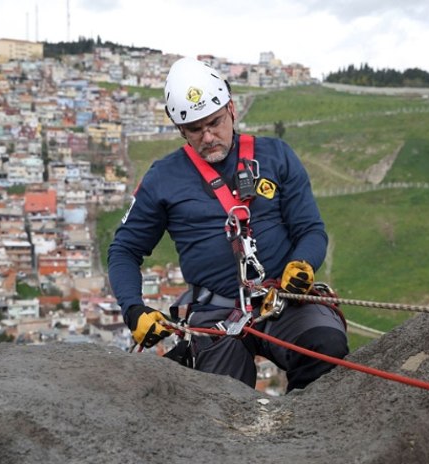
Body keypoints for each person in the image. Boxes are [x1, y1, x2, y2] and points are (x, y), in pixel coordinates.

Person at [108, 57, 349, 392]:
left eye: (215, 123)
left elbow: (310, 229)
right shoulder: (163, 179)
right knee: (222, 399)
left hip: (279, 297)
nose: (208, 137)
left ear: (231, 109)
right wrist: (133, 309)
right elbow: (125, 250)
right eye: (195, 129)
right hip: (214, 312)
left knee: (326, 349)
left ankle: (301, 435)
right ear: (181, 130)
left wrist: (303, 263)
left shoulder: (276, 156)